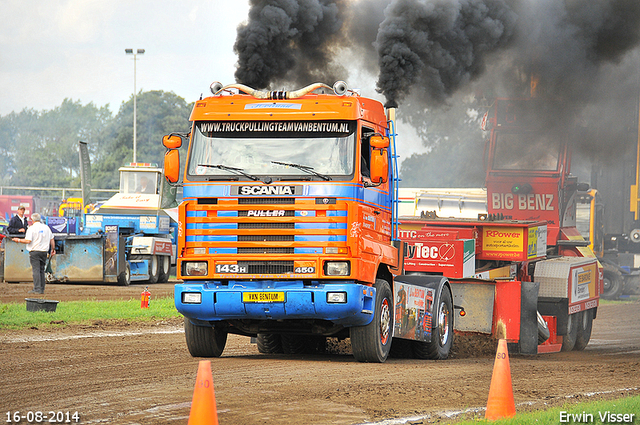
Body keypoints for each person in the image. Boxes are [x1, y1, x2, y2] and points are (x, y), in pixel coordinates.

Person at [12, 213, 55, 294]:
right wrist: (53, 249)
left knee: (36, 270)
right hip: (44, 252)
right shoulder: (46, 227)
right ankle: (41, 288)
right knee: (42, 270)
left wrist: (18, 240)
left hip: (35, 251)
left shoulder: (31, 228)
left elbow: (28, 240)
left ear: (32, 220)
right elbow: (52, 239)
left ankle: (37, 289)